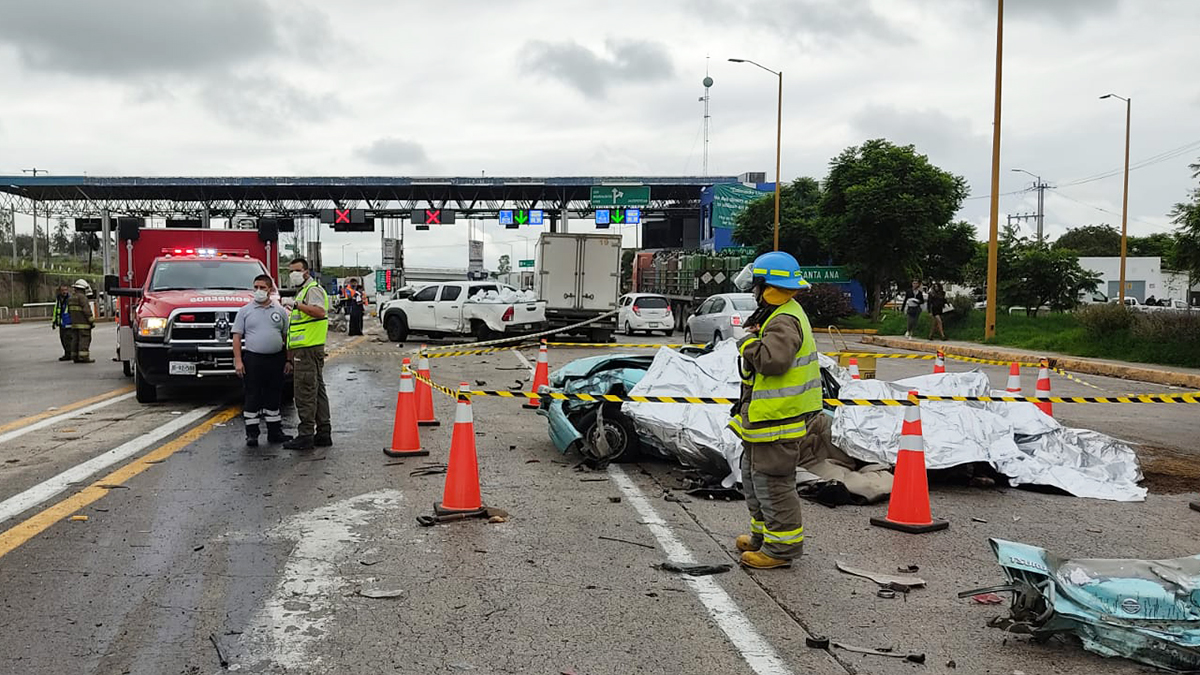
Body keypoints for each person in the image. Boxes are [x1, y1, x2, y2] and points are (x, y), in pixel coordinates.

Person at [729, 251, 822, 570]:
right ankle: (762, 538)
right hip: (765, 419)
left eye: (756, 284)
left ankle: (781, 550)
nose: (752, 290)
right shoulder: (776, 312)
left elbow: (773, 361)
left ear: (767, 286)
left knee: (773, 483)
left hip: (778, 420)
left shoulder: (784, 318)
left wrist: (746, 344)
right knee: (755, 479)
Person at [233, 274, 293, 447]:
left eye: (262, 288)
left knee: (274, 395)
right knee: (253, 395)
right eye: (256, 287)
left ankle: (275, 432)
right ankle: (252, 434)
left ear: (270, 290)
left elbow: (286, 337)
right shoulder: (245, 311)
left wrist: (289, 360)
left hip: (276, 359)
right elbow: (237, 337)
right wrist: (238, 361)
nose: (258, 291)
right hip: (253, 359)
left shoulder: (280, 311)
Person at [283, 257, 331, 451]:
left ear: (306, 271)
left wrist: (296, 306)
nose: (293, 274)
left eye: (296, 270)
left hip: (308, 350)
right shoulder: (303, 291)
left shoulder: (312, 290)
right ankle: (323, 433)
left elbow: (319, 312)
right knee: (317, 391)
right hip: (309, 348)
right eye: (290, 271)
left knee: (304, 392)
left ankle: (305, 436)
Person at [67, 279, 95, 364]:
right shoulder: (82, 297)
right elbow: (87, 310)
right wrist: (91, 321)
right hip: (84, 324)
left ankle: (75, 356)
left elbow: (69, 311)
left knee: (75, 340)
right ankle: (84, 357)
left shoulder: (71, 298)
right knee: (84, 339)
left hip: (74, 324)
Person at [51, 285, 73, 361]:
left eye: (66, 290)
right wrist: (54, 321)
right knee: (63, 339)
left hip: (68, 323)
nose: (64, 292)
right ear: (60, 291)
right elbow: (56, 311)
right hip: (61, 323)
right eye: (63, 290)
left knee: (68, 339)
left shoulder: (70, 299)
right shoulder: (58, 299)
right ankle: (67, 353)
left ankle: (69, 354)